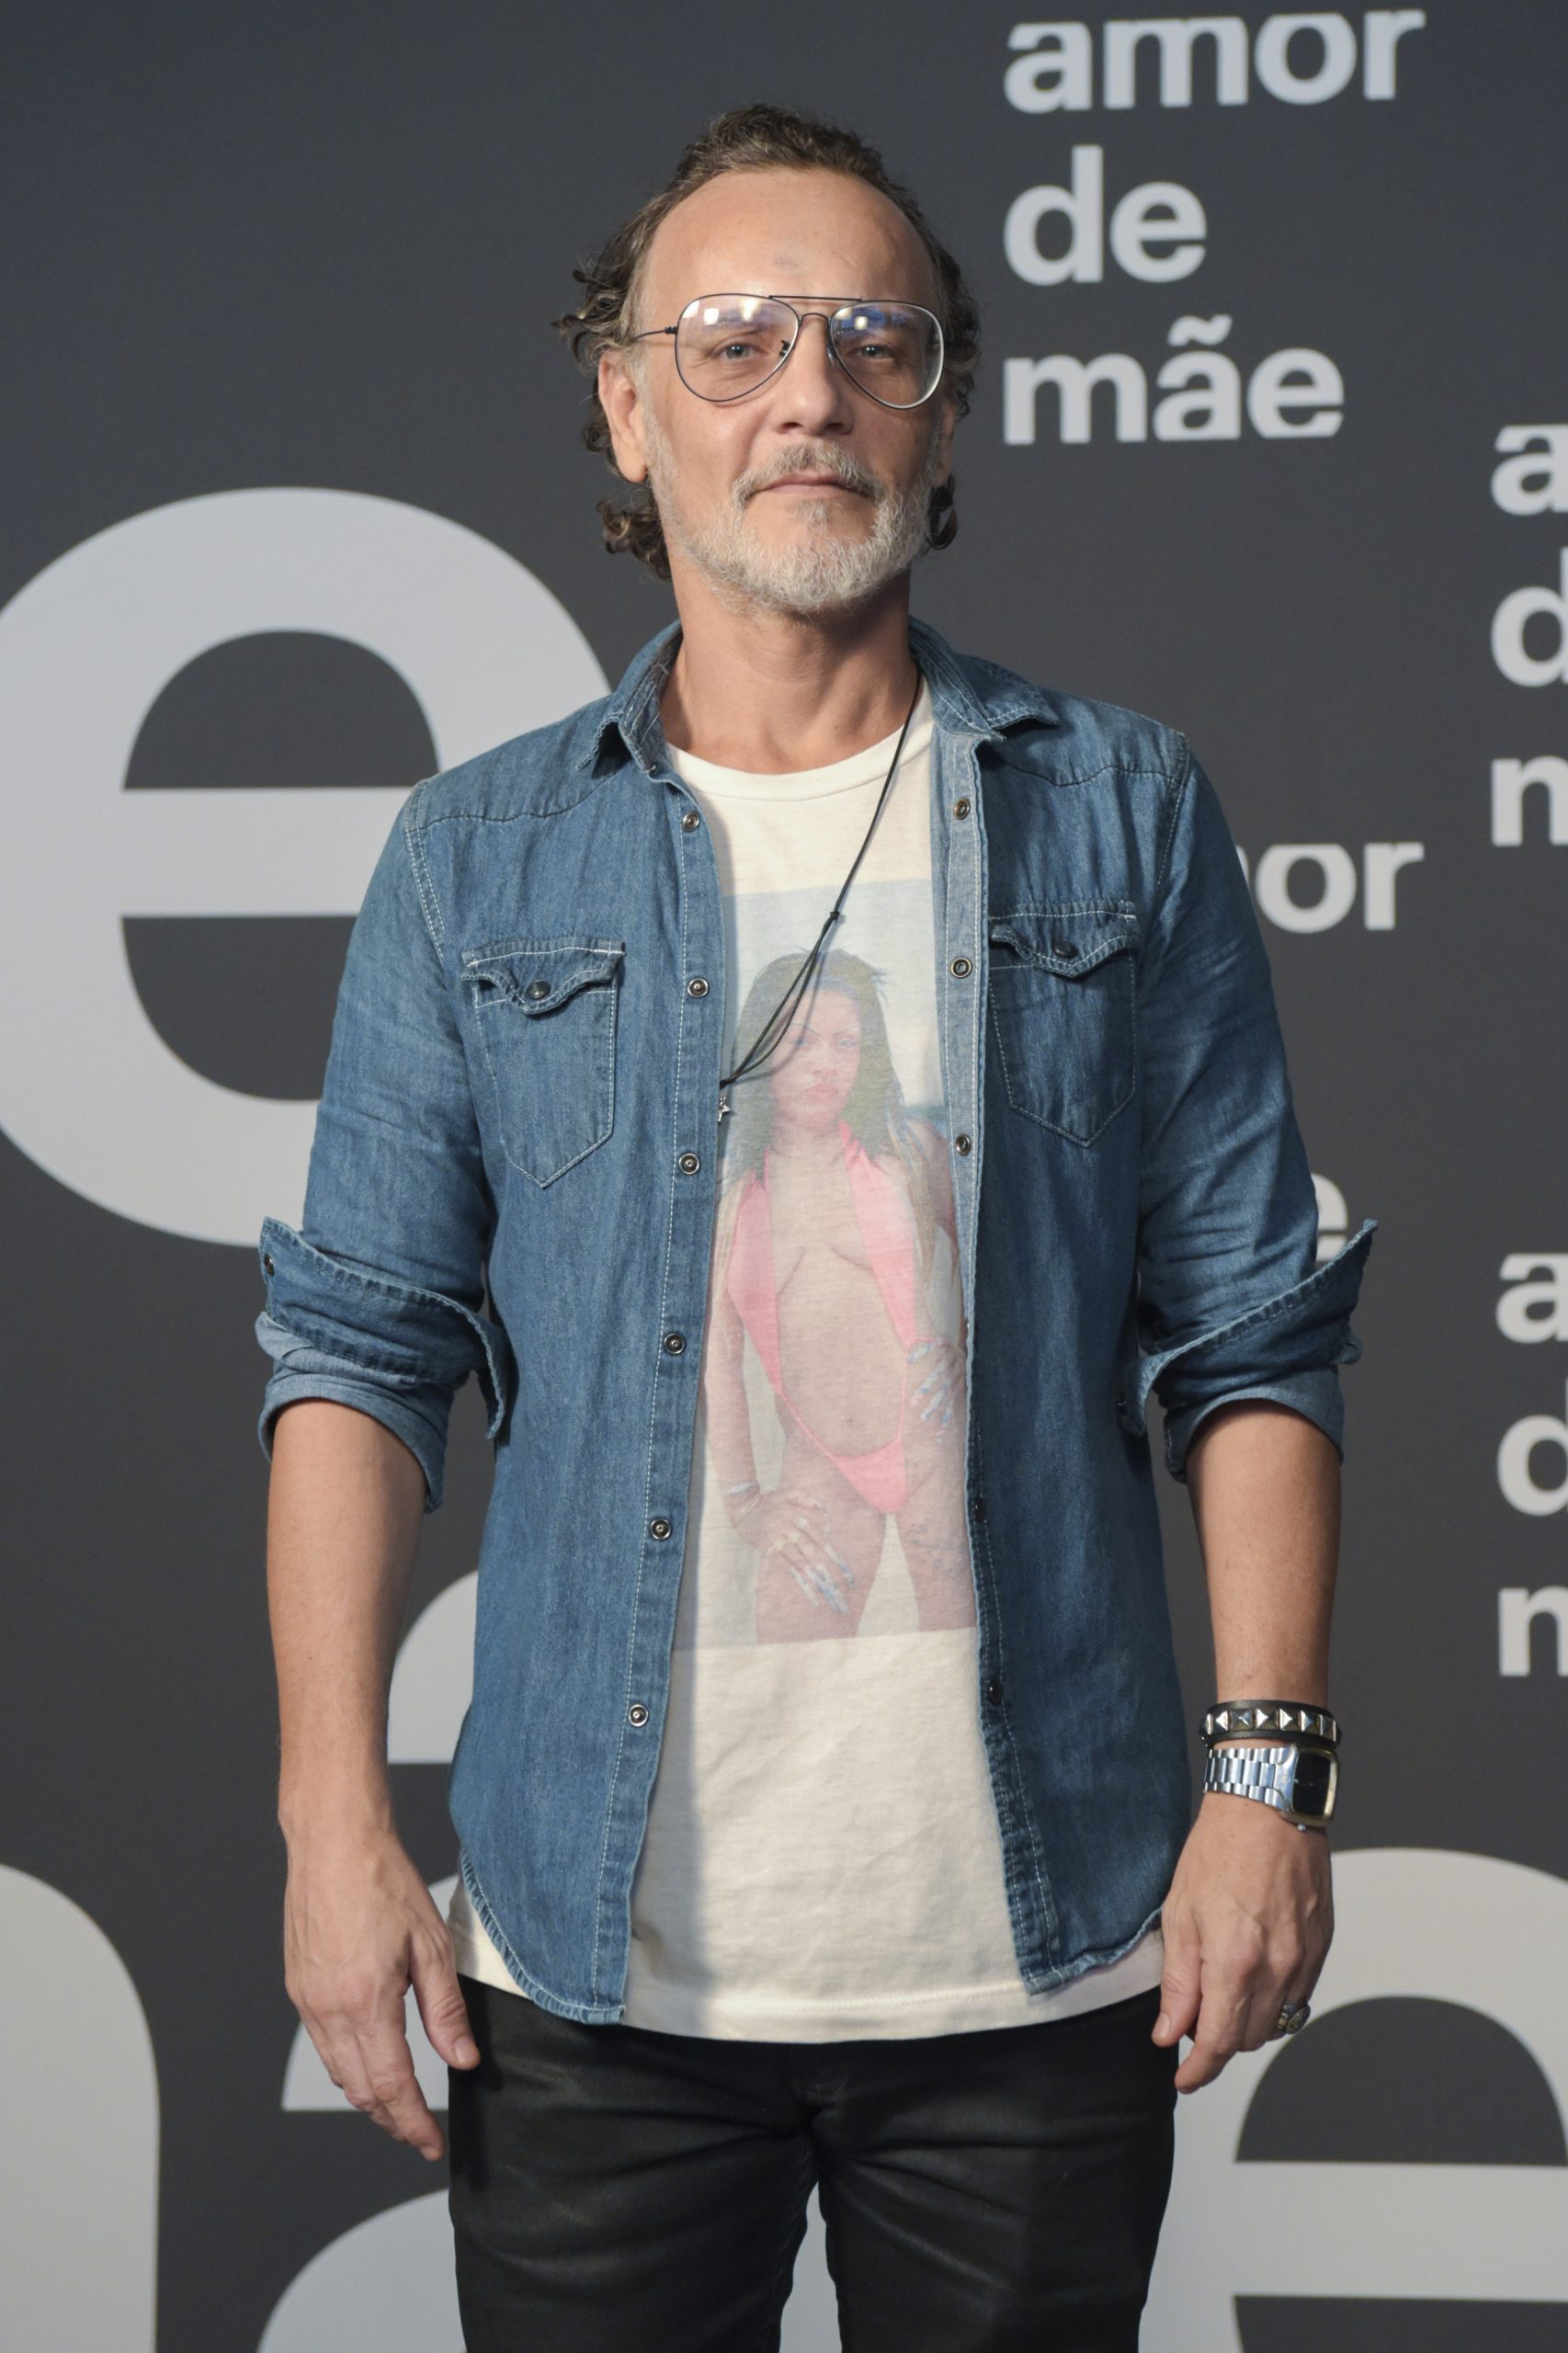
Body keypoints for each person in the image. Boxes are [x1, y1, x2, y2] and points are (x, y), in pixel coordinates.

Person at [256, 101, 1374, 2351]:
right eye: (736, 340)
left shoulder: (1120, 810)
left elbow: (1250, 1332)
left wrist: (1264, 1781)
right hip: (588, 1969)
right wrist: (328, 1822)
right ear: (627, 404)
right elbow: (358, 1359)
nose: (807, 394)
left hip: (1040, 1963)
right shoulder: (478, 859)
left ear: (941, 411)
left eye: (874, 341)